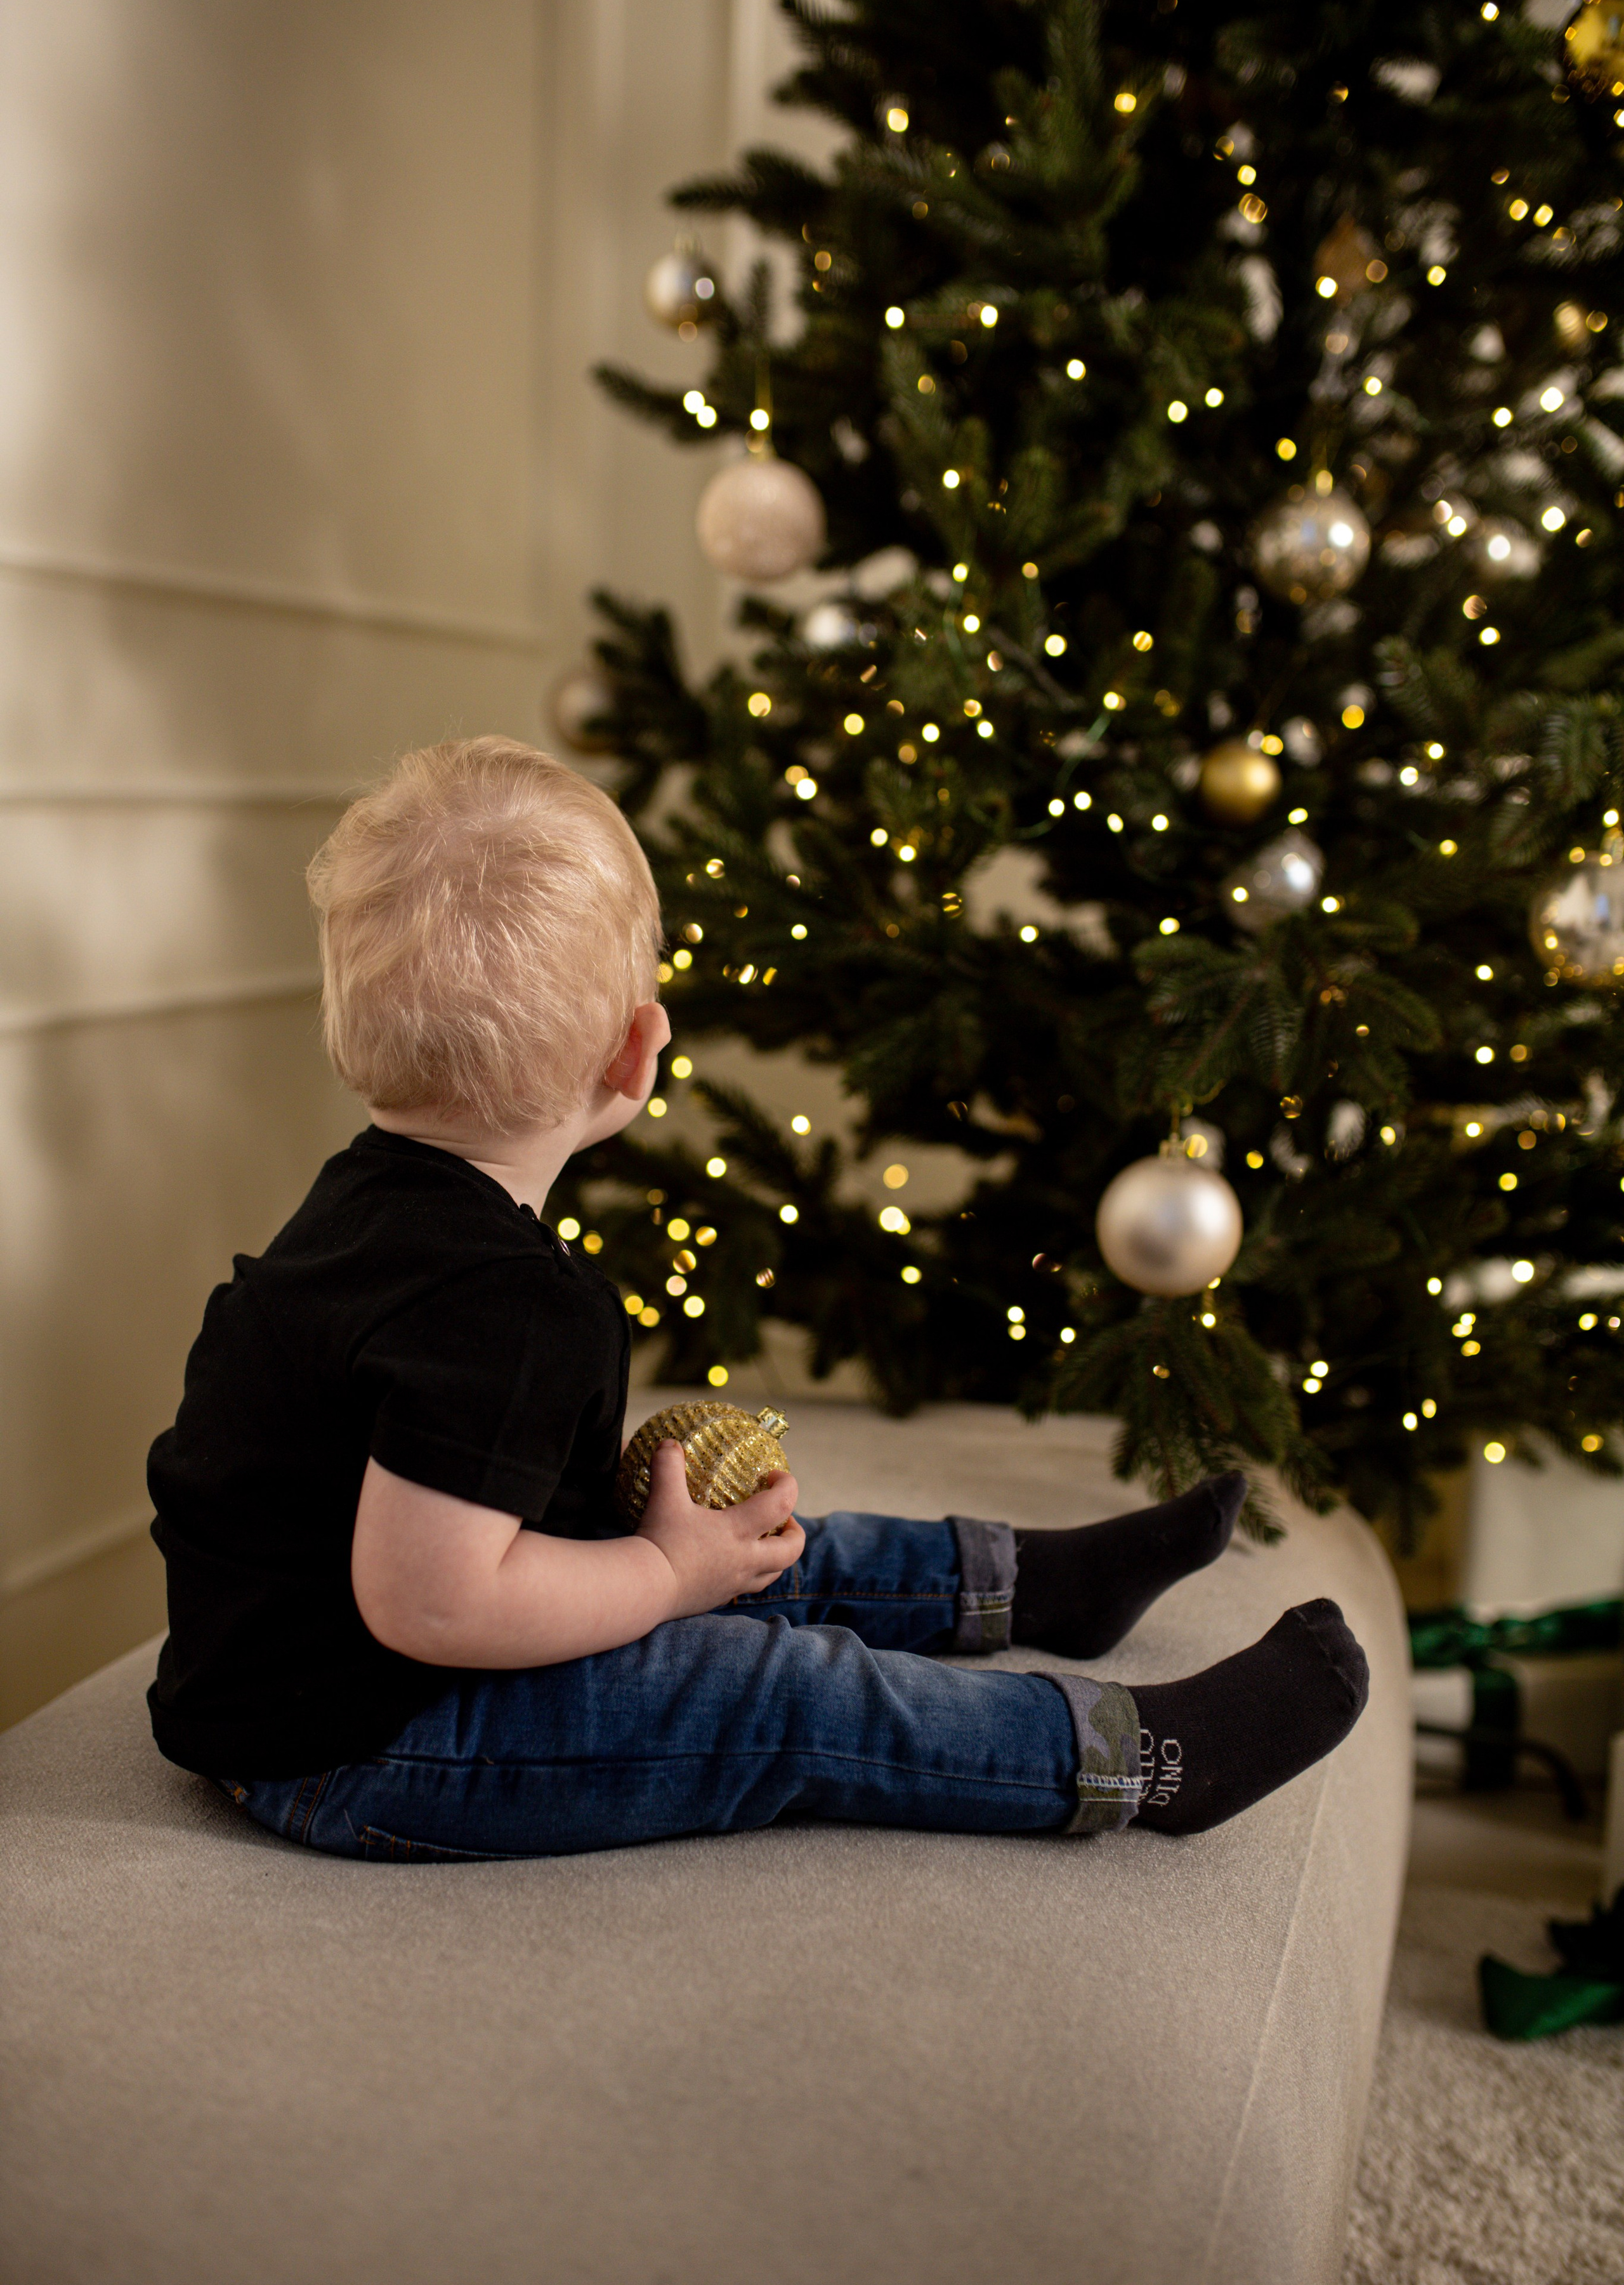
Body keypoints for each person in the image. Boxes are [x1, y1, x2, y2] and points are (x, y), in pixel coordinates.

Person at [147, 737, 1368, 1861]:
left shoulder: (363, 1205)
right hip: (360, 1748)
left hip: (330, 1680)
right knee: (774, 1684)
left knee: (755, 1552)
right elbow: (432, 1600)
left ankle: (1035, 1588)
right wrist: (664, 1585)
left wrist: (667, 1554)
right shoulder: (506, 1306)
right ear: (637, 1053)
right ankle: (1132, 1759)